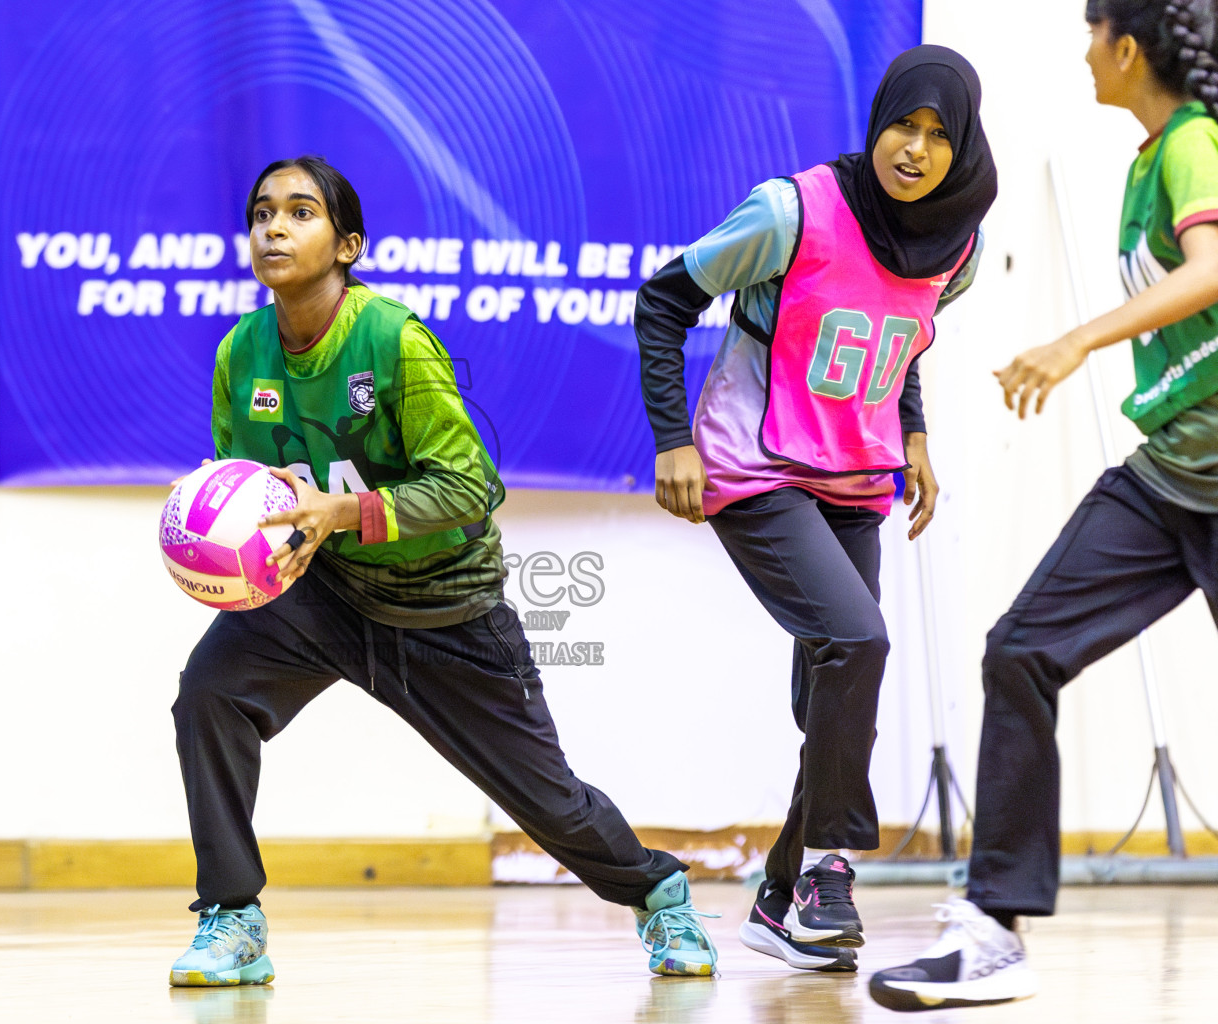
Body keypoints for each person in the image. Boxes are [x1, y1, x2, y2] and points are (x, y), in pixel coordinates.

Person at [167, 156, 720, 987]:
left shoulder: (394, 340)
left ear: (347, 243)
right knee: (209, 693)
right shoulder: (241, 353)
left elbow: (471, 487)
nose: (273, 227)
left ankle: (661, 893)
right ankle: (232, 918)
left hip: (443, 610)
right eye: (261, 213)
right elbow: (253, 492)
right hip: (322, 594)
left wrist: (343, 512)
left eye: (300, 213)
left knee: (550, 804)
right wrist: (218, 537)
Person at [870, 2, 1218, 1012]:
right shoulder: (1154, 157)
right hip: (1173, 478)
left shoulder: (1195, 144)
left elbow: (1210, 269)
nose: (1080, 50)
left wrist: (1076, 342)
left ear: (1124, 47)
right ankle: (994, 930)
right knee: (1022, 648)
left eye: (1092, 29)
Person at [635, 47, 997, 974]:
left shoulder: (958, 245)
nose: (914, 150)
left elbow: (904, 338)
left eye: (938, 136)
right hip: (753, 465)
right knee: (860, 643)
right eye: (901, 127)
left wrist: (913, 431)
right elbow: (663, 300)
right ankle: (827, 876)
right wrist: (674, 441)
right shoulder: (791, 211)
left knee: (831, 702)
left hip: (854, 474)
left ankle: (775, 899)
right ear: (875, 122)